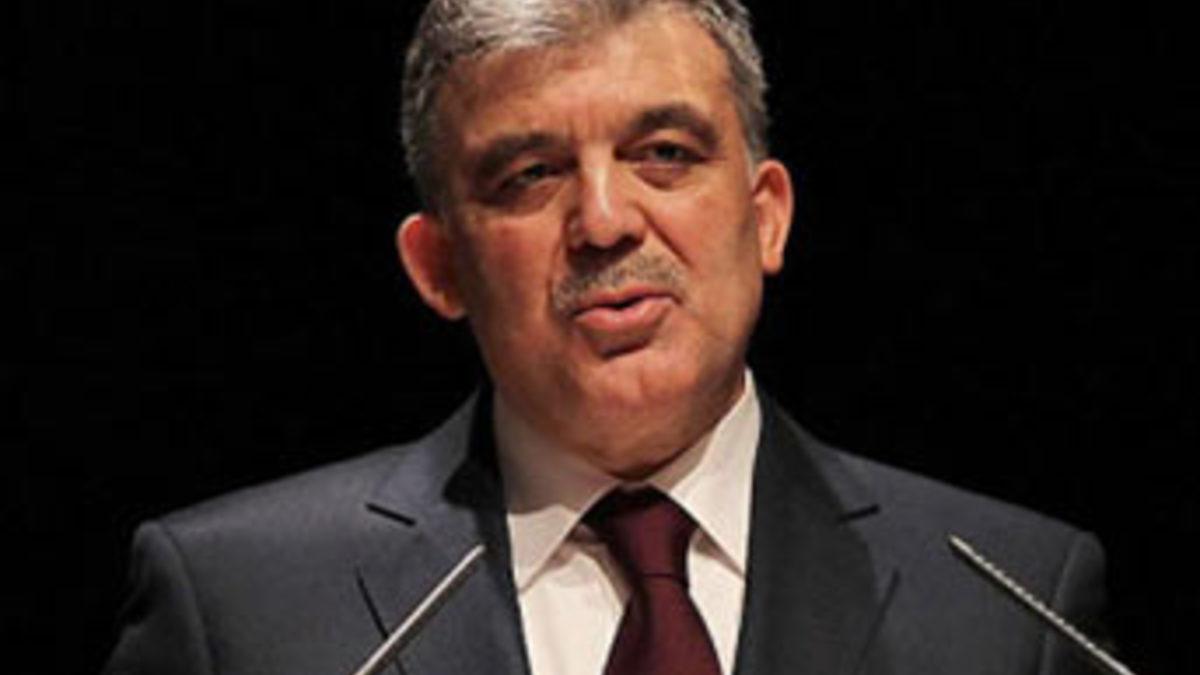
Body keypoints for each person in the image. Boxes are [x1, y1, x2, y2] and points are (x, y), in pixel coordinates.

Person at [104, 1, 1113, 673]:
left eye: (664, 153)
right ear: (439, 266)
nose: (604, 221)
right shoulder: (241, 608)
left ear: (766, 217)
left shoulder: (1010, 603)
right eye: (531, 175)